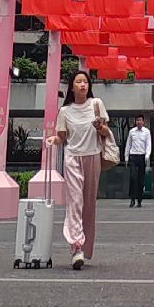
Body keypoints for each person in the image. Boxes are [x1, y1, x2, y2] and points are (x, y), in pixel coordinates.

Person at [53, 70, 111, 270]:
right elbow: (62, 137)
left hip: (93, 156)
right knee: (75, 202)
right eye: (78, 82)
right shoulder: (65, 111)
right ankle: (76, 247)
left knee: (88, 204)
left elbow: (106, 132)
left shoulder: (96, 104)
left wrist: (100, 127)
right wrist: (54, 140)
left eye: (85, 82)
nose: (83, 85)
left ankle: (85, 248)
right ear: (72, 87)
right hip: (72, 157)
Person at [125, 114, 153, 208]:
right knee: (133, 177)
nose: (139, 122)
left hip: (142, 156)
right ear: (135, 122)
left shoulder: (146, 132)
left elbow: (148, 144)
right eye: (137, 120)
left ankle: (139, 199)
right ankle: (132, 198)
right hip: (133, 155)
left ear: (143, 122)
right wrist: (126, 157)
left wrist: (147, 155)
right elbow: (128, 144)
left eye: (140, 120)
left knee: (141, 179)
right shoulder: (132, 131)